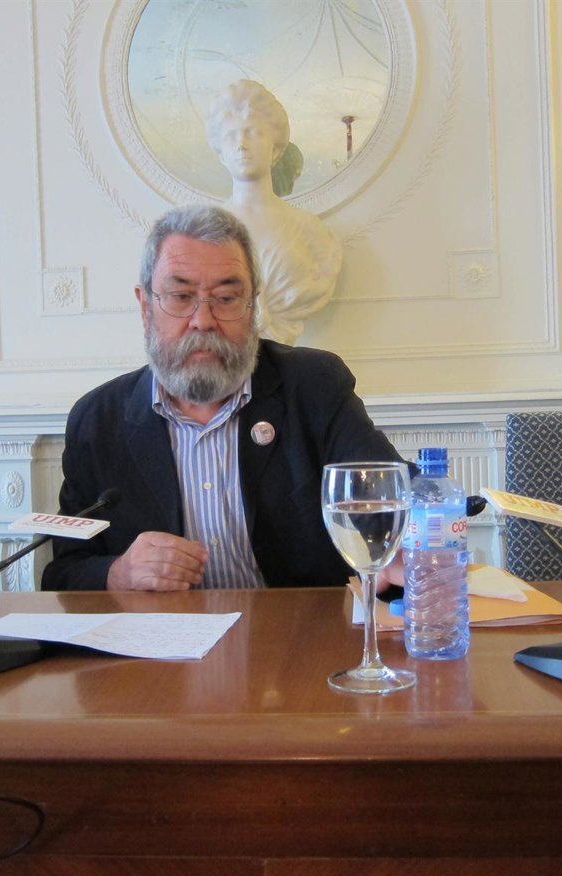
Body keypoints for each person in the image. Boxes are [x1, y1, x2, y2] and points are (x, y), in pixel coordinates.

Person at [40, 205, 403, 592]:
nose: (203, 321)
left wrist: (405, 546)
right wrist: (119, 573)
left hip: (299, 625)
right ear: (145, 307)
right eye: (181, 296)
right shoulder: (97, 421)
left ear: (252, 307)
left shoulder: (313, 386)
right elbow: (62, 574)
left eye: (226, 298)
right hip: (165, 630)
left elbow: (390, 494)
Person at [205, 80, 343, 346]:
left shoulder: (312, 233)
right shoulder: (205, 232)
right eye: (231, 136)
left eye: (254, 133)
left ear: (276, 148)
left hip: (284, 358)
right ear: (221, 153)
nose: (242, 145)